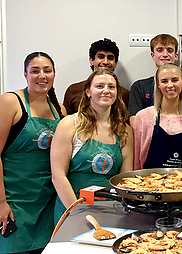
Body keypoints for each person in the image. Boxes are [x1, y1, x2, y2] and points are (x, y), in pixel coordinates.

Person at [0, 52, 65, 254]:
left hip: (46, 202)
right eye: (35, 71)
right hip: (13, 200)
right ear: (25, 74)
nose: (42, 76)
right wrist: (0, 202)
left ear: (54, 74)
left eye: (47, 70)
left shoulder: (59, 110)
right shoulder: (9, 103)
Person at [51, 69, 133, 223]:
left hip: (110, 210)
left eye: (111, 87)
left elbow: (125, 179)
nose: (106, 91)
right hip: (71, 208)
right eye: (100, 86)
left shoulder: (125, 131)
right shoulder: (69, 125)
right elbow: (58, 176)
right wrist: (76, 213)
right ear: (88, 91)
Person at [133, 63, 182, 170]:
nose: (170, 85)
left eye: (175, 80)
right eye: (164, 81)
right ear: (158, 84)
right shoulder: (142, 117)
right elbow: (136, 162)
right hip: (147, 184)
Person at [129, 34, 182, 124]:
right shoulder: (139, 87)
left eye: (170, 50)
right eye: (160, 50)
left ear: (176, 56)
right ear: (153, 55)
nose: (165, 54)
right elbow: (134, 121)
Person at [63, 38, 129, 115]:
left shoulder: (125, 94)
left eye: (110, 58)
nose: (105, 62)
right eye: (101, 57)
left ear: (115, 64)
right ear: (91, 60)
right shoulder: (73, 90)